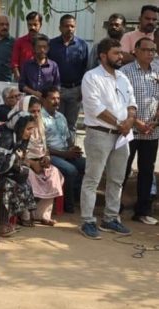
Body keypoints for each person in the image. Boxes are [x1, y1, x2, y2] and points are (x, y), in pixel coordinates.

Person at [79, 38, 137, 239]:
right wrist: (120, 124)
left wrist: (129, 120)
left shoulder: (122, 77)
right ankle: (87, 220)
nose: (121, 56)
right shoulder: (91, 77)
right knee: (92, 179)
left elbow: (132, 102)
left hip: (122, 137)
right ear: (103, 55)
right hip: (99, 134)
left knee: (117, 179)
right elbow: (95, 108)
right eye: (116, 53)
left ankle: (111, 218)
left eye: (120, 53)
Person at [120, 37, 159, 225]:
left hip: (152, 131)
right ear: (135, 51)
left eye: (153, 50)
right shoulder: (125, 72)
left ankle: (142, 211)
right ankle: (114, 209)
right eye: (146, 50)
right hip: (130, 130)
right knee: (123, 168)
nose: (150, 53)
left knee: (146, 170)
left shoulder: (157, 71)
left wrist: (154, 122)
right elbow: (121, 103)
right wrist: (137, 123)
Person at [20, 95, 64, 225]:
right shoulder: (19, 125)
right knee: (28, 176)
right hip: (23, 162)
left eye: (38, 111)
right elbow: (16, 152)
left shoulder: (40, 125)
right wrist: (32, 163)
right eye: (32, 111)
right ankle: (26, 215)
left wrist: (46, 158)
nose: (36, 114)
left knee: (54, 173)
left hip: (39, 162)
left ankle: (42, 215)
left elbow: (45, 148)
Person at [42, 86, 85, 214]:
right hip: (51, 155)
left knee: (87, 165)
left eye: (58, 98)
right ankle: (68, 205)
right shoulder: (40, 118)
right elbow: (42, 148)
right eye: (53, 98)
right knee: (70, 170)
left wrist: (73, 149)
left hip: (65, 152)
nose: (56, 101)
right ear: (43, 100)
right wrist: (65, 153)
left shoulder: (61, 116)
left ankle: (77, 199)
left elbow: (67, 138)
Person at [48, 14, 89, 133]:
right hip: (57, 90)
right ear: (60, 28)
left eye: (72, 26)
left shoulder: (82, 45)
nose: (69, 29)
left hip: (75, 89)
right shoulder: (52, 44)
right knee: (56, 122)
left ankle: (71, 149)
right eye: (66, 26)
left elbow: (85, 68)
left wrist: (83, 89)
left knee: (71, 124)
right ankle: (57, 150)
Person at [19, 34, 60, 99]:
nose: (42, 50)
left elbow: (57, 85)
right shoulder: (27, 65)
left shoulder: (53, 66)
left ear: (48, 48)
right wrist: (33, 93)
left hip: (47, 101)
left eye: (44, 47)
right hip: (30, 100)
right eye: (39, 47)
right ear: (33, 48)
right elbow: (21, 85)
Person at [11, 12, 43, 81]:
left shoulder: (45, 43)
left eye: (35, 25)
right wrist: (18, 77)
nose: (32, 27)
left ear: (40, 25)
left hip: (40, 80)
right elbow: (14, 62)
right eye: (30, 25)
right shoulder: (19, 42)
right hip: (23, 80)